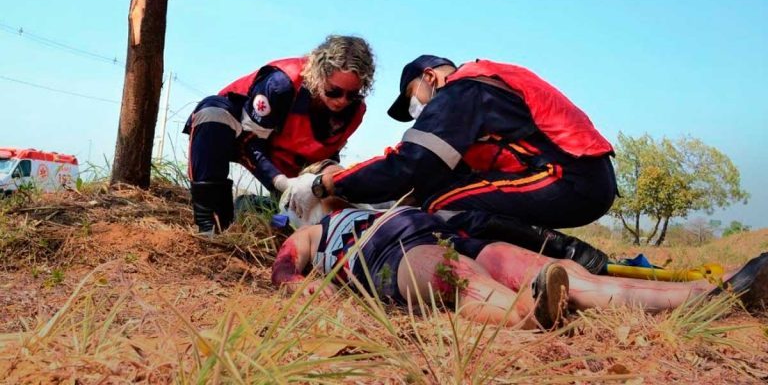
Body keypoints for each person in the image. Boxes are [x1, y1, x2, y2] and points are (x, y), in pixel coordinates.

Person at [286, 55, 617, 273]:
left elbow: (406, 167)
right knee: (447, 201)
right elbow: (433, 181)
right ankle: (544, 258)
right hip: (581, 177)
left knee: (442, 207)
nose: (415, 110)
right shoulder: (480, 96)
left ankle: (570, 255)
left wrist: (325, 183)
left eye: (411, 98)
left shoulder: (461, 93)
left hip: (566, 176)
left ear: (429, 77)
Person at [272, 199, 768, 328]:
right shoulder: (316, 228)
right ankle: (528, 315)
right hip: (387, 257)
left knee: (560, 273)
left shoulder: (381, 199)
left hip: (444, 234)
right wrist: (307, 288)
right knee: (449, 274)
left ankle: (709, 300)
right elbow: (286, 269)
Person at [183, 35, 375, 234]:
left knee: (324, 190)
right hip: (244, 134)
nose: (342, 101)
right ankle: (211, 224)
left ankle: (257, 205)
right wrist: (280, 182)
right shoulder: (281, 83)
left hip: (287, 155)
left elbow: (326, 158)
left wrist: (315, 186)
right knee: (212, 115)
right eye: (334, 91)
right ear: (319, 76)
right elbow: (248, 142)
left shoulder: (355, 112)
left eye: (352, 95)